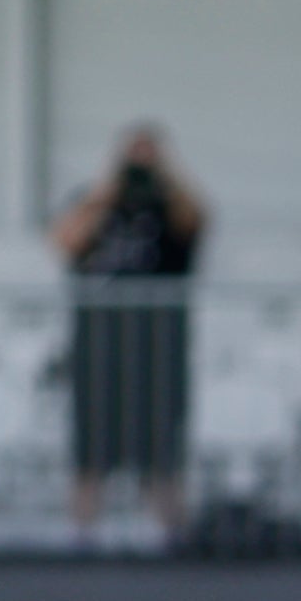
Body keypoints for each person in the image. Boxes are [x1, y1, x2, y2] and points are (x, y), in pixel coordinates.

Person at [52, 125, 203, 546]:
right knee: (92, 440)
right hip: (100, 339)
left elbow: (195, 221)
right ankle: (82, 534)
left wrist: (166, 176)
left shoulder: (170, 203)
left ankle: (171, 534)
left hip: (157, 339)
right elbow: (63, 241)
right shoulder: (94, 199)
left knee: (160, 442)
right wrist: (107, 190)